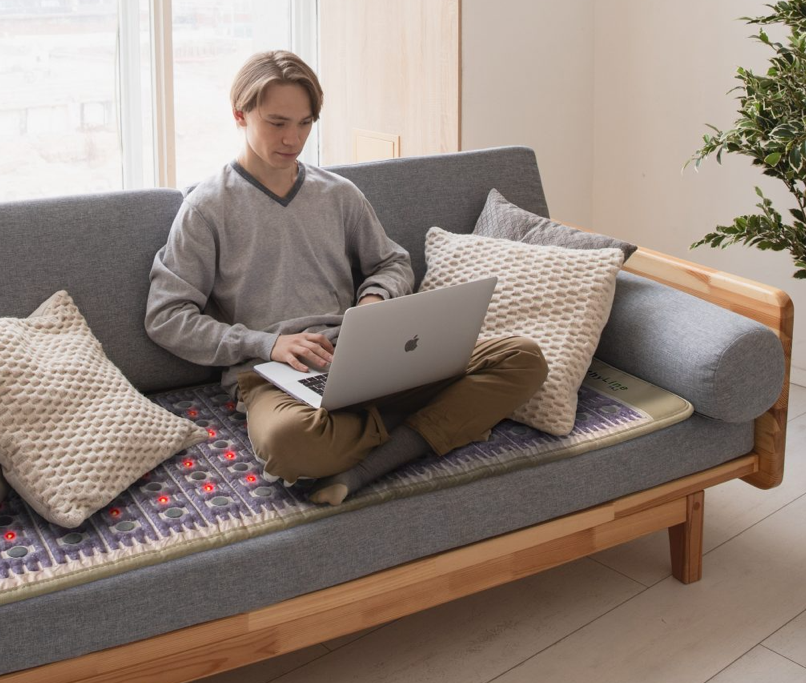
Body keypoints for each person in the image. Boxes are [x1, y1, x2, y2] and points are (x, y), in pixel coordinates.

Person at [145, 50, 548, 505]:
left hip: (366, 355)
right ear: (240, 114)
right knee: (288, 445)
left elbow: (392, 263)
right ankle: (433, 420)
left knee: (524, 357)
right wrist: (267, 344)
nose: (292, 138)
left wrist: (373, 304)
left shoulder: (337, 194)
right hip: (274, 373)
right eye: (277, 123)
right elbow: (167, 317)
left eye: (305, 123)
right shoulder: (207, 207)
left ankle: (367, 463)